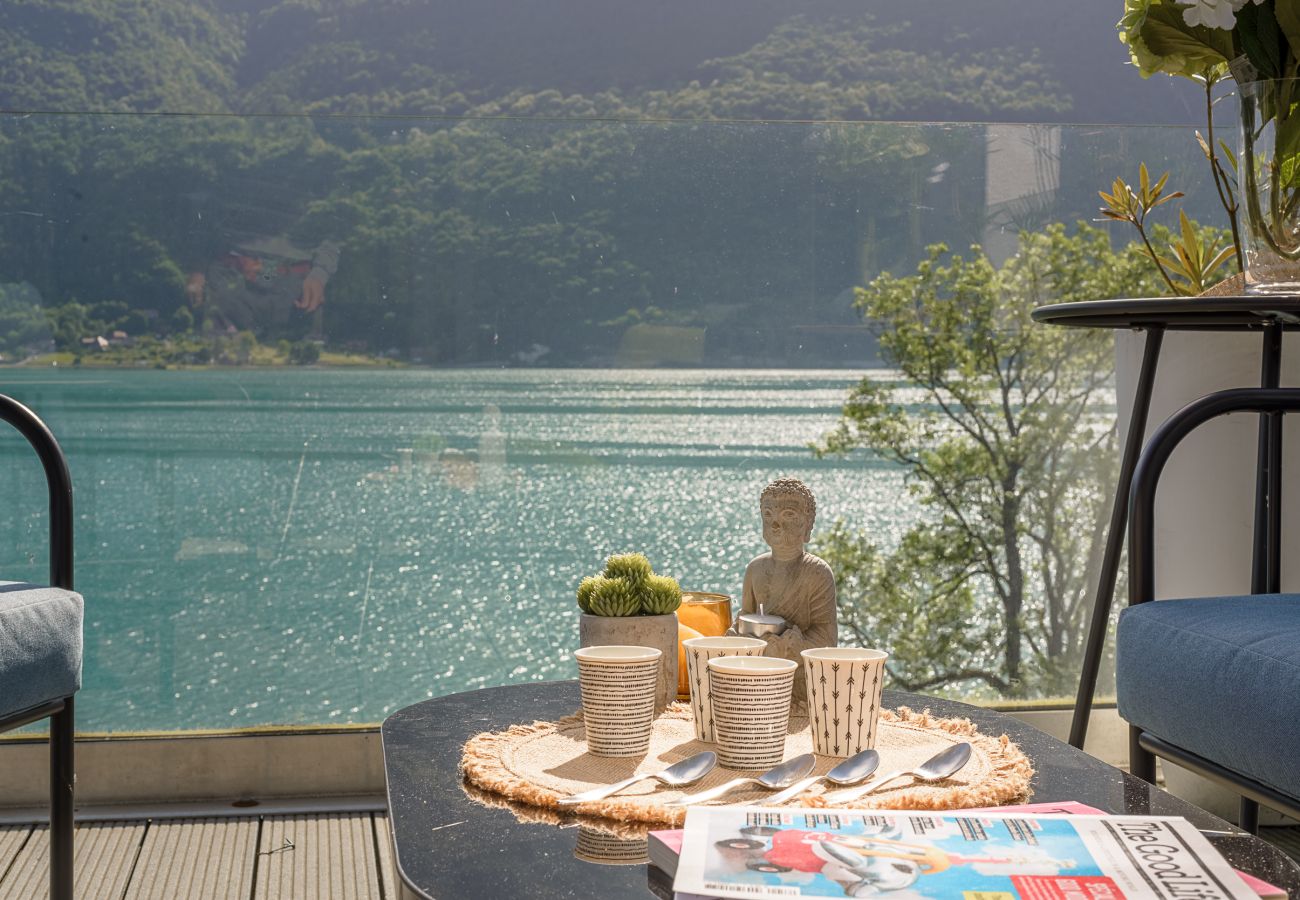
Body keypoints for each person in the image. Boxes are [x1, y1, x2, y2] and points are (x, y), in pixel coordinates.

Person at [732, 477, 837, 708]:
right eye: (768, 515)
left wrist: (789, 647)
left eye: (788, 515)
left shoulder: (817, 572)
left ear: (807, 524)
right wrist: (737, 637)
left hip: (799, 682)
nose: (775, 525)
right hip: (757, 675)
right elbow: (745, 618)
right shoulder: (755, 569)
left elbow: (827, 640)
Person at [186, 236, 340, 337]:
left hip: (295, 283)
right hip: (232, 276)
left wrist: (320, 273)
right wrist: (197, 268)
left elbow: (335, 232)